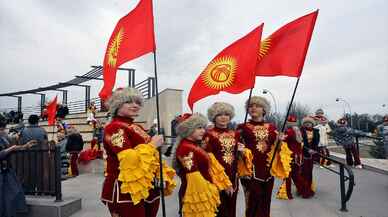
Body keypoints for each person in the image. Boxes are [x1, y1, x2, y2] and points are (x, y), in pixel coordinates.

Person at [101, 87, 175, 217]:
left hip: (145, 187)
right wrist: (152, 145)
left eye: (137, 102)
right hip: (125, 188)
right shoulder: (114, 127)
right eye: (129, 102)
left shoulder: (136, 126)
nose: (135, 105)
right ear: (117, 104)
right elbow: (129, 160)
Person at [237, 96, 292, 217]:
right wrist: (240, 150)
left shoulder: (272, 127)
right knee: (252, 202)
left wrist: (280, 142)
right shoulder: (242, 127)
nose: (253, 108)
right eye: (251, 106)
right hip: (250, 170)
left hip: (268, 170)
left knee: (266, 202)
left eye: (258, 105)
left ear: (264, 109)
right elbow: (236, 149)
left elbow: (277, 149)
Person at [173, 113, 232, 217]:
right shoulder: (185, 148)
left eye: (203, 127)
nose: (203, 131)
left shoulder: (194, 145)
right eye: (199, 128)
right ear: (188, 129)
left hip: (203, 193)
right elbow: (194, 177)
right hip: (195, 196)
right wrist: (210, 191)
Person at [204, 102, 251, 217]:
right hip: (215, 177)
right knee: (219, 209)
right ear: (214, 117)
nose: (223, 117)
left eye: (226, 114)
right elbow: (206, 158)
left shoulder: (235, 134)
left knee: (231, 208)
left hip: (233, 176)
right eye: (220, 114)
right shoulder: (208, 135)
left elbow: (238, 156)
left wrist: (241, 152)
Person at [0, 114, 36, 217]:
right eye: (1, 128)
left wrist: (24, 146)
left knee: (15, 194)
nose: (3, 131)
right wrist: (11, 149)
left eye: (3, 128)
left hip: (7, 172)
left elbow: (10, 151)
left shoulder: (3, 138)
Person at [276, 115, 314, 200]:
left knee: (289, 175)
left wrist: (279, 135)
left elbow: (283, 140)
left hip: (291, 156)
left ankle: (288, 193)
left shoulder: (289, 131)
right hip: (298, 156)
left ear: (287, 123)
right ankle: (305, 191)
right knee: (296, 175)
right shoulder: (298, 130)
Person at [300, 116, 320, 196]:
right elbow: (300, 143)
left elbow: (316, 142)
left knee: (309, 172)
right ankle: (303, 189)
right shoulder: (301, 131)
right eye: (306, 123)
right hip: (303, 153)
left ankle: (309, 187)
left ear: (312, 124)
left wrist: (314, 151)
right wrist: (307, 150)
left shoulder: (316, 131)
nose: (308, 124)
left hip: (312, 154)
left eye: (309, 123)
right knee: (304, 171)